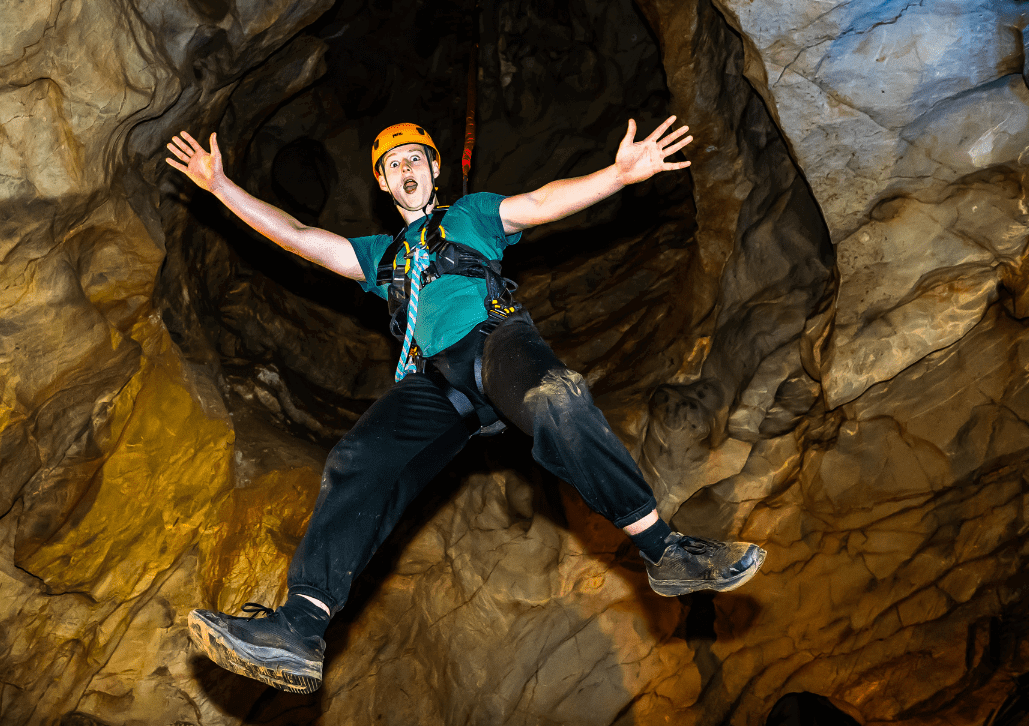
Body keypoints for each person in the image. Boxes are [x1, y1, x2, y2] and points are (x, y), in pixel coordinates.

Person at [165, 118, 765, 695]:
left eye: (414, 159)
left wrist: (617, 175)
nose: (405, 168)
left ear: (434, 168)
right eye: (392, 164)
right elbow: (299, 238)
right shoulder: (382, 255)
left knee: (554, 399)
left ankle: (665, 551)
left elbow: (538, 202)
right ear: (381, 182)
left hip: (493, 342)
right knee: (358, 459)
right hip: (434, 383)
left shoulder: (470, 214)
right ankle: (299, 626)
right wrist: (220, 186)